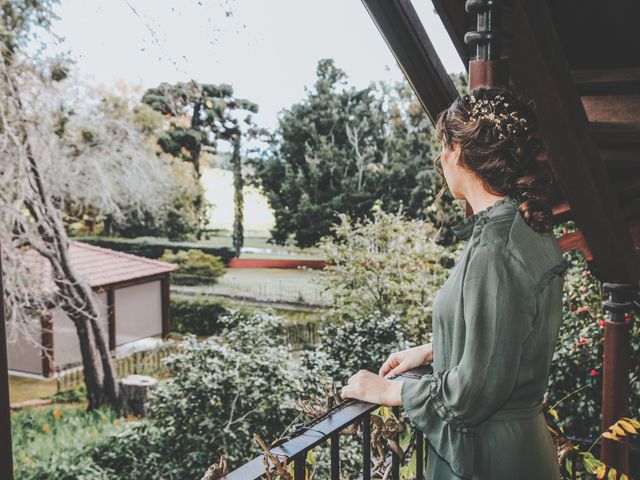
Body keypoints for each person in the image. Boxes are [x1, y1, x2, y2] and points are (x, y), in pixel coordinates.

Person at [340, 85, 571, 479]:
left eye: (446, 145)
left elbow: (471, 392)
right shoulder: (521, 227)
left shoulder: (497, 248)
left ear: (464, 154)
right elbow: (508, 331)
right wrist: (434, 350)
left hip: (491, 460)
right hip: (516, 448)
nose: (441, 157)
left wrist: (390, 392)